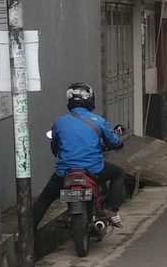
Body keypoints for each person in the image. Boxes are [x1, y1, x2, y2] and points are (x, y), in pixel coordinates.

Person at [31, 82, 126, 232]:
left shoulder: (59, 122)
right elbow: (114, 142)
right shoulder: (98, 121)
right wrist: (117, 142)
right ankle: (111, 209)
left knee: (44, 200)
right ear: (90, 99)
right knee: (118, 173)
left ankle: (25, 235)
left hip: (65, 172)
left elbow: (55, 147)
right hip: (94, 170)